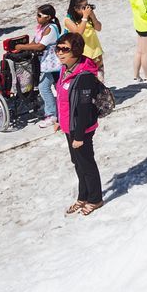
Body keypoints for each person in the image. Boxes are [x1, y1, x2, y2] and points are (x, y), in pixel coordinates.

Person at [54, 32, 104, 216]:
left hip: (81, 128)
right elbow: (64, 99)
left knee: (87, 164)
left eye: (64, 49)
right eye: (57, 48)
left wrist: (80, 136)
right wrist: (60, 120)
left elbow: (83, 109)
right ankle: (83, 196)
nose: (59, 52)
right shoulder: (66, 69)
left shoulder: (84, 76)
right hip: (70, 126)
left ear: (75, 51)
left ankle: (95, 199)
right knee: (77, 162)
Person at [13, 4, 62, 127]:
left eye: (40, 15)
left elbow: (40, 46)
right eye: (37, 15)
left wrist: (22, 47)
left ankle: (51, 115)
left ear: (48, 17)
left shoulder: (51, 28)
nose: (37, 17)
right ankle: (63, 109)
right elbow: (34, 42)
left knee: (44, 88)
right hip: (45, 63)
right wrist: (23, 49)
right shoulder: (42, 27)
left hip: (52, 63)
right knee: (58, 87)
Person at [64, 0, 104, 83]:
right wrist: (85, 17)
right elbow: (78, 33)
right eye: (83, 7)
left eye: (87, 5)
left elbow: (99, 28)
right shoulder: (68, 20)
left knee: (99, 81)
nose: (87, 8)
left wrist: (92, 17)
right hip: (82, 56)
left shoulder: (88, 16)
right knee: (86, 83)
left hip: (96, 53)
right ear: (76, 9)